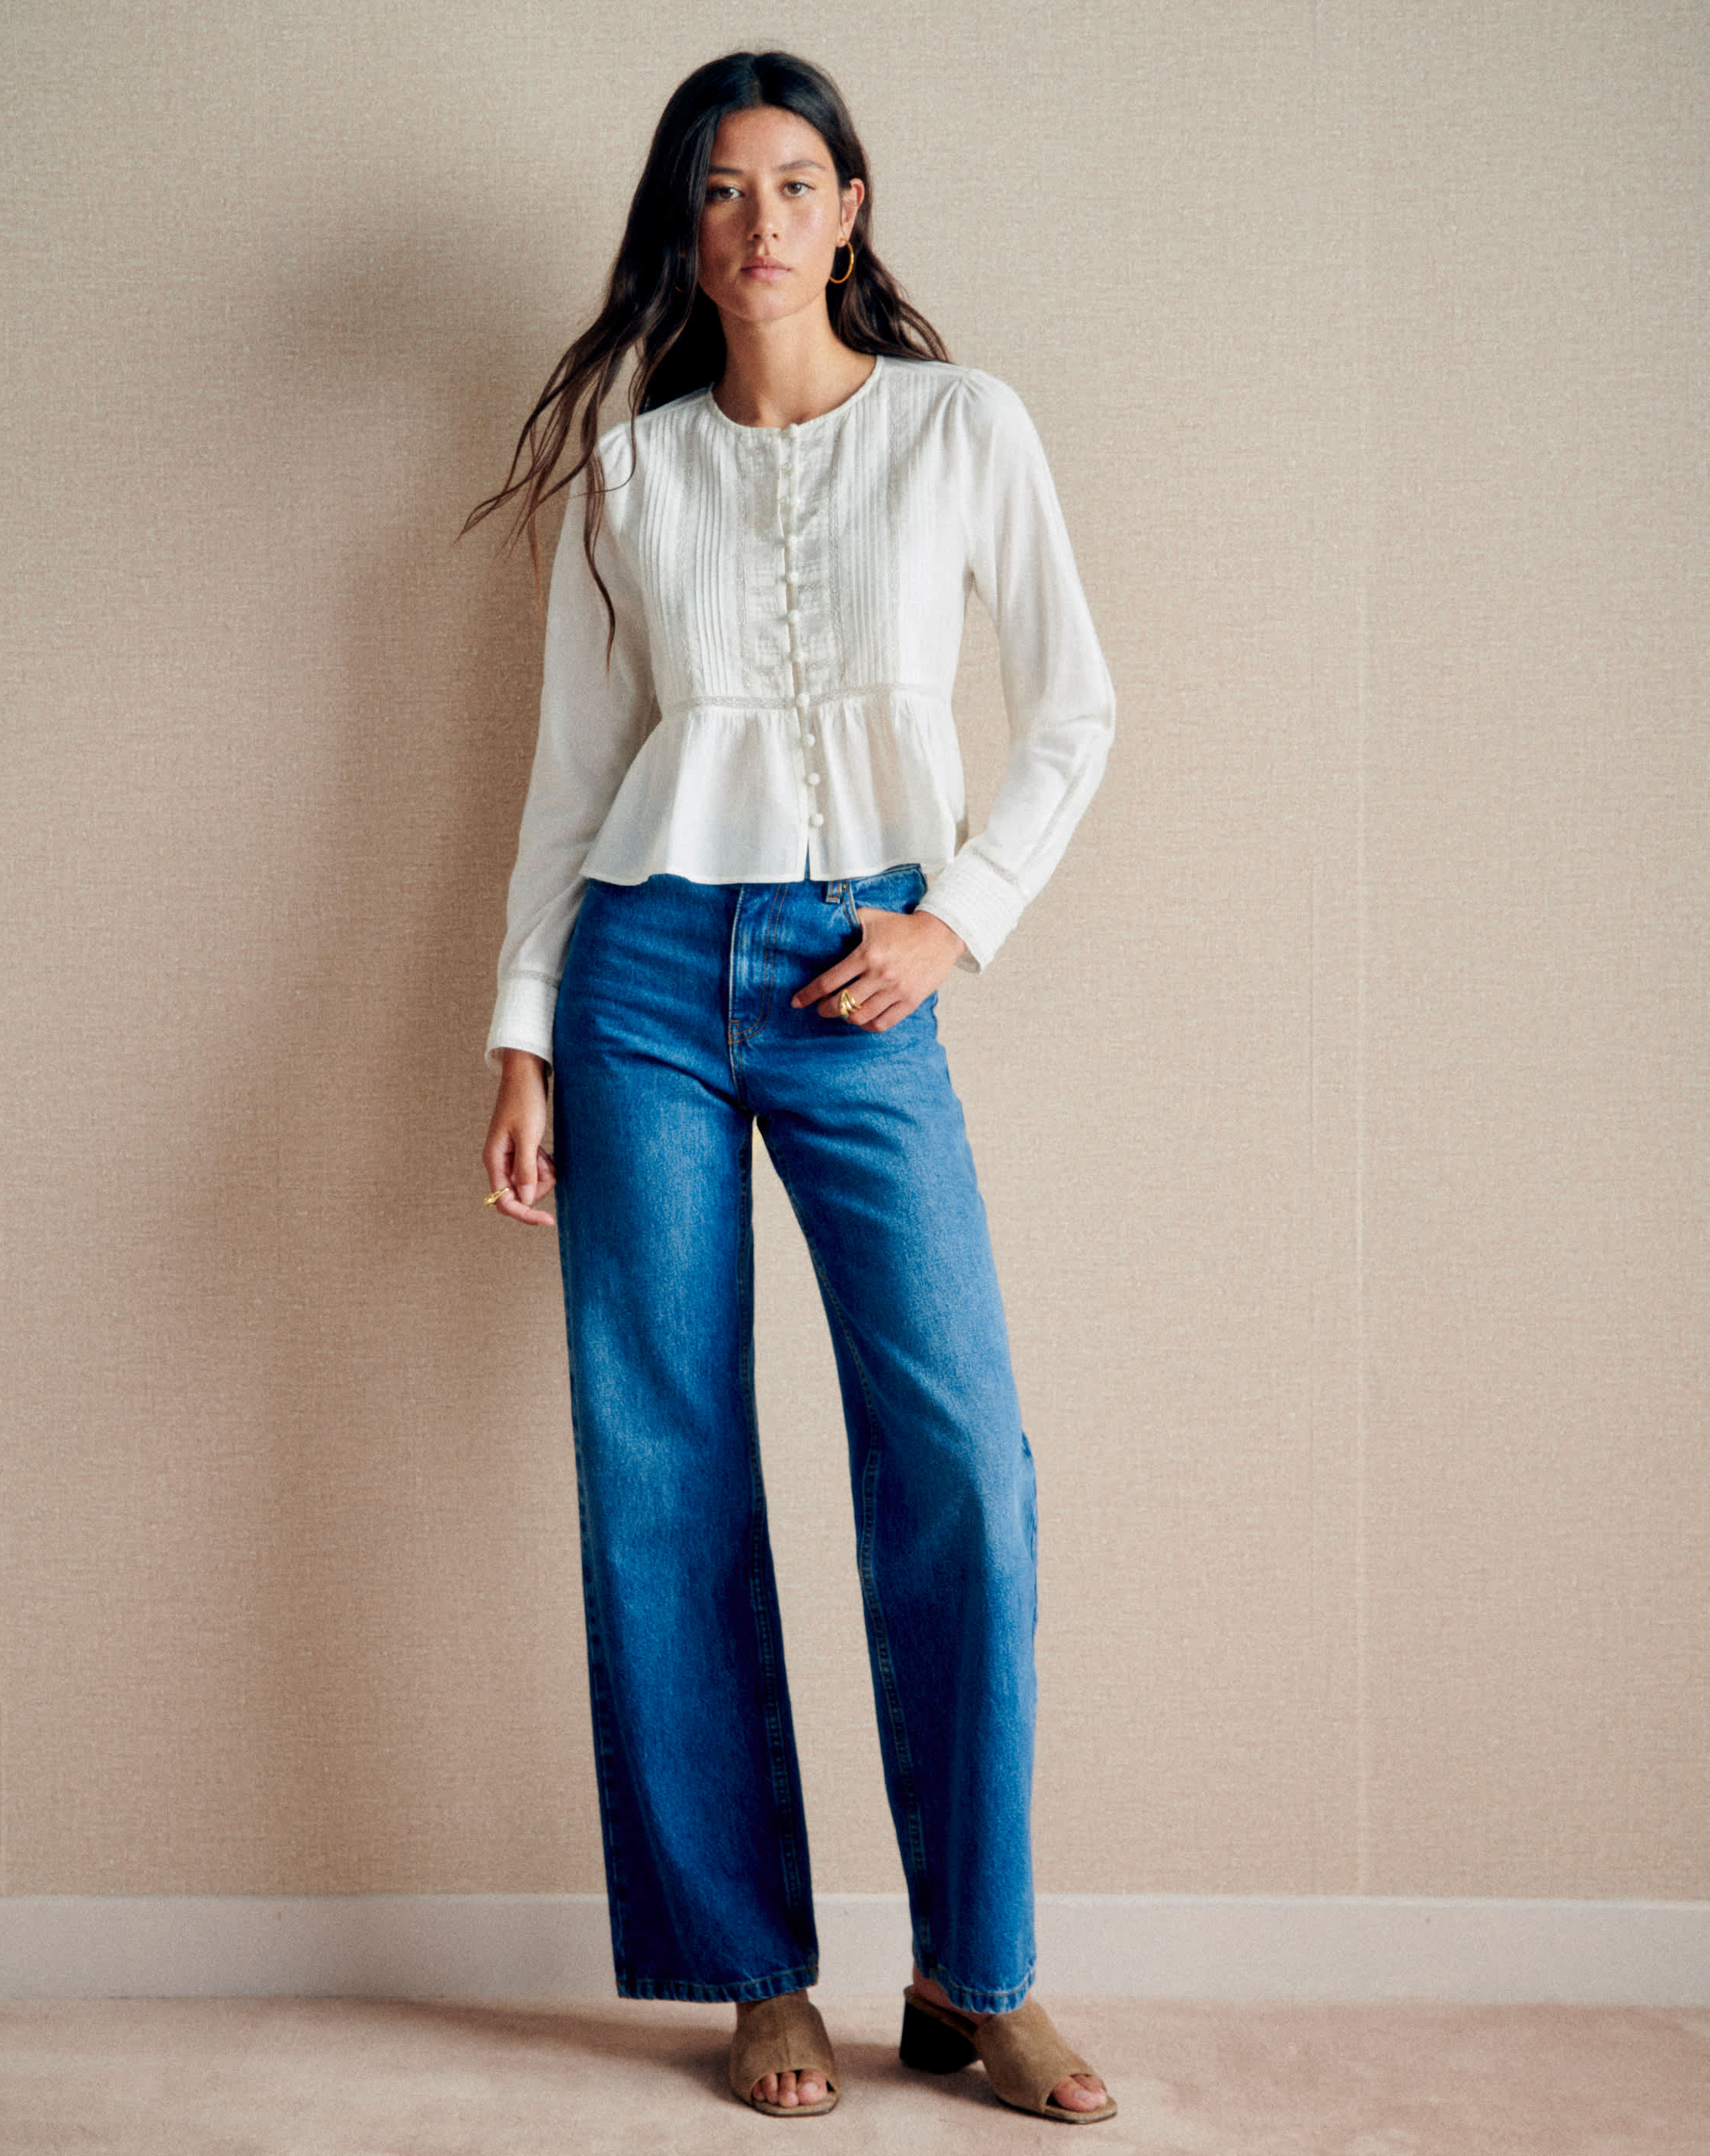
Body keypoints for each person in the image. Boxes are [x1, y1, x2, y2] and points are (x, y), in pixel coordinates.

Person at [464, 49, 1118, 2127]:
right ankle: (752, 1967)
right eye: (723, 188)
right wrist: (521, 1027)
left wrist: (953, 923)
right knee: (662, 1463)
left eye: (797, 181)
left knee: (959, 1460)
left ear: (851, 210)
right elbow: (574, 778)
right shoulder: (632, 472)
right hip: (645, 978)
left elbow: (1076, 709)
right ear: (687, 226)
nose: (761, 220)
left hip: (863, 979)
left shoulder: (961, 425)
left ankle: (973, 1970)